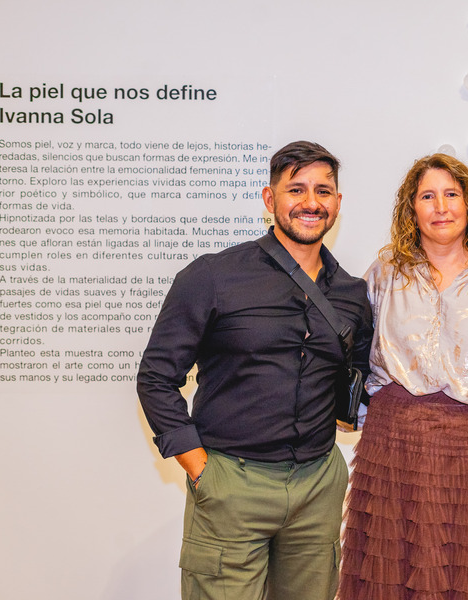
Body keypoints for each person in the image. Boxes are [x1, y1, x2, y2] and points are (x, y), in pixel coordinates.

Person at [137, 141, 373, 600]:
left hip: (318, 486)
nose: (310, 202)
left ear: (337, 204)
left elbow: (358, 380)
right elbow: (156, 377)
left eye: (323, 191)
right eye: (296, 189)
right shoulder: (213, 276)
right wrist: (201, 469)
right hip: (230, 482)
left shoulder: (352, 293)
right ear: (270, 200)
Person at [338, 153, 468, 600]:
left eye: (451, 194)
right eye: (427, 196)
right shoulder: (385, 274)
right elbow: (357, 352)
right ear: (412, 208)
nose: (441, 206)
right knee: (389, 571)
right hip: (394, 445)